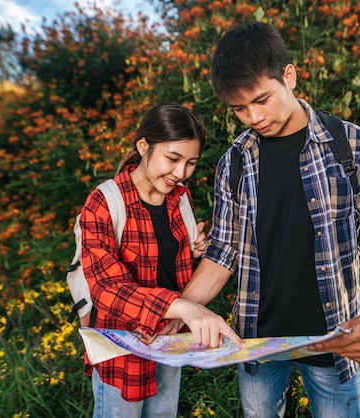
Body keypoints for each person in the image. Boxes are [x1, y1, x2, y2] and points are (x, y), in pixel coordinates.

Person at [180, 22, 360, 417]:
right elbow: (221, 255)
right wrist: (175, 311)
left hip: (335, 341)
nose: (253, 116)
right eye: (239, 108)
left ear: (289, 76)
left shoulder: (353, 145)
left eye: (261, 100)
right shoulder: (233, 163)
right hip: (256, 345)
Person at [80, 102, 242, 418]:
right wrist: (183, 306)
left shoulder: (180, 197)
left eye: (190, 162)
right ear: (144, 146)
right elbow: (106, 288)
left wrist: (194, 248)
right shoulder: (104, 202)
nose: (181, 173)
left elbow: (167, 259)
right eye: (172, 158)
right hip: (122, 351)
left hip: (170, 338)